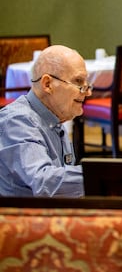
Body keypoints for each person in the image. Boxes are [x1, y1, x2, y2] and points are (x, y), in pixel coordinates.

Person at [0, 45, 92, 197]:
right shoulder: (17, 121)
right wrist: (111, 172)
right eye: (78, 82)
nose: (87, 91)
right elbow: (44, 182)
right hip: (21, 218)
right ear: (47, 84)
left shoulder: (54, 121)